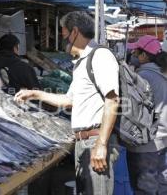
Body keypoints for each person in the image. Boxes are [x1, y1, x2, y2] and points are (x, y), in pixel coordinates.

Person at [15, 11, 120, 195]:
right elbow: (69, 101)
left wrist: (101, 144)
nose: (62, 39)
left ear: (75, 32)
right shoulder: (81, 63)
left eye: (63, 34)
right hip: (82, 143)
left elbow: (112, 100)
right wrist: (35, 93)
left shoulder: (100, 56)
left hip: (95, 140)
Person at [126, 35, 167, 194]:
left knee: (145, 188)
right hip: (163, 138)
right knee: (161, 184)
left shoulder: (144, 76)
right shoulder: (161, 73)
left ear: (144, 55)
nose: (133, 56)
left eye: (135, 52)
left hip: (148, 142)